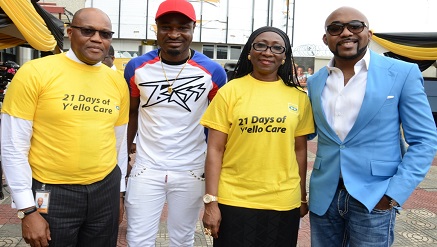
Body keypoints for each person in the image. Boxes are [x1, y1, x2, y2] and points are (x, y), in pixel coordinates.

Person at [307, 6, 437, 247]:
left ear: (368, 33)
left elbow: (425, 141)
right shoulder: (315, 82)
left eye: (355, 26)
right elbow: (304, 134)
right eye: (336, 28)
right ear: (326, 39)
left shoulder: (402, 73)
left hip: (375, 197)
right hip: (324, 196)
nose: (346, 32)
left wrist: (394, 194)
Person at [1, 7, 129, 247]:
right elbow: (13, 145)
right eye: (88, 31)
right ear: (70, 33)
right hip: (51, 192)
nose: (96, 39)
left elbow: (118, 143)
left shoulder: (116, 81)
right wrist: (27, 210)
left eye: (105, 34)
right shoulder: (35, 72)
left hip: (105, 190)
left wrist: (118, 195)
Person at [123, 0, 227, 246]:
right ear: (156, 29)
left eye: (183, 27)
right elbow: (132, 114)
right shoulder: (136, 67)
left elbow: (219, 126)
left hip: (191, 168)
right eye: (166, 27)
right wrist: (125, 157)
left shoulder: (212, 71)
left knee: (183, 239)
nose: (174, 34)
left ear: (193, 29)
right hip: (146, 168)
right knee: (138, 239)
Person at [201, 26, 314, 246]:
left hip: (283, 201)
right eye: (260, 45)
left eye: (276, 47)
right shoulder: (230, 91)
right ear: (250, 52)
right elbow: (215, 149)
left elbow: (300, 150)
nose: (267, 52)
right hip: (235, 199)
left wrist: (302, 197)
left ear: (284, 57)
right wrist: (211, 202)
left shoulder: (299, 98)